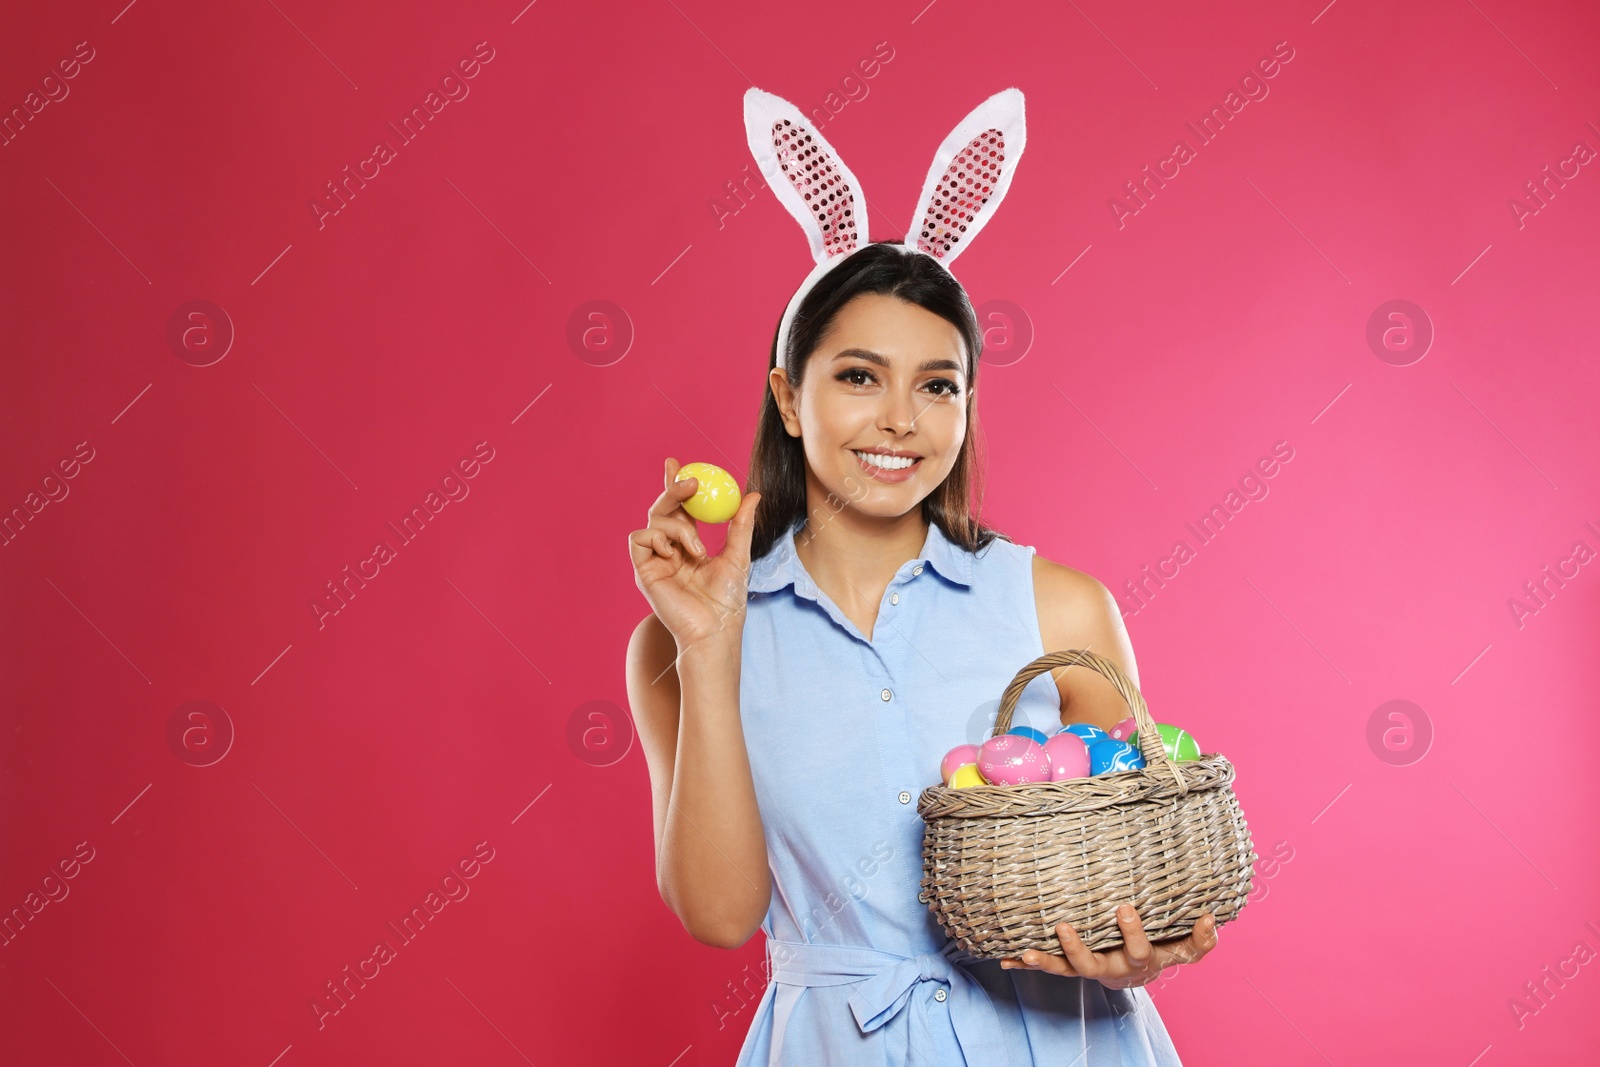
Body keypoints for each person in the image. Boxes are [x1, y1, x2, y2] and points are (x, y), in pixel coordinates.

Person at [626, 241, 1220, 1066]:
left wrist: (1148, 942)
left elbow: (1136, 858)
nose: (901, 418)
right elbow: (720, 916)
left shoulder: (1061, 607)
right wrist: (706, 648)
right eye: (859, 376)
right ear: (789, 399)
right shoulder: (677, 638)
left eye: (937, 385)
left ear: (968, 405)